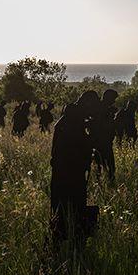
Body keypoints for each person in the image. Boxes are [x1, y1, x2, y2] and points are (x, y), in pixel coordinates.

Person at [50, 91, 97, 242]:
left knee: (67, 209)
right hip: (69, 173)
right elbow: (74, 147)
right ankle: (65, 242)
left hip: (68, 172)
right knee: (67, 209)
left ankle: (69, 240)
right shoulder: (72, 122)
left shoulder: (71, 119)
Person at [91, 90, 118, 180]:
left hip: (105, 143)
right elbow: (101, 126)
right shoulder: (100, 109)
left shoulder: (105, 108)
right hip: (101, 143)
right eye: (113, 99)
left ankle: (104, 184)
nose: (114, 101)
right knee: (106, 167)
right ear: (108, 98)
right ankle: (104, 184)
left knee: (106, 167)